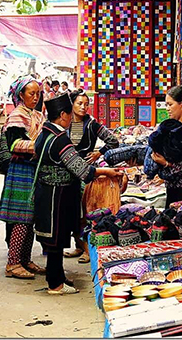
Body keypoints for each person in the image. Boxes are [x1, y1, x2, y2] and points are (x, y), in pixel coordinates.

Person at [33, 93, 122, 295]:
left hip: (47, 192)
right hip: (57, 195)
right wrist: (105, 171)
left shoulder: (44, 132)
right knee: (56, 240)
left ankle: (57, 276)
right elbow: (82, 170)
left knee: (56, 238)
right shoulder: (59, 139)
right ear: (63, 114)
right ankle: (55, 284)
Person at [0, 77, 46, 279]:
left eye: (37, 93)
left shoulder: (35, 114)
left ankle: (24, 259)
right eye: (31, 93)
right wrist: (40, 146)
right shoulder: (17, 116)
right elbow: (14, 144)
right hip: (21, 170)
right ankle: (13, 263)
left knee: (30, 217)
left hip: (32, 168)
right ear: (20, 95)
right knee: (21, 217)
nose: (35, 97)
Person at [64, 90, 120, 263]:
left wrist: (98, 153)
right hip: (68, 171)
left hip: (86, 172)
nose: (83, 107)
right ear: (71, 105)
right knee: (73, 210)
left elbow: (113, 140)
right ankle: (79, 245)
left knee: (85, 211)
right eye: (79, 103)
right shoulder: (65, 123)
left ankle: (88, 250)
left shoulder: (92, 124)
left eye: (86, 104)